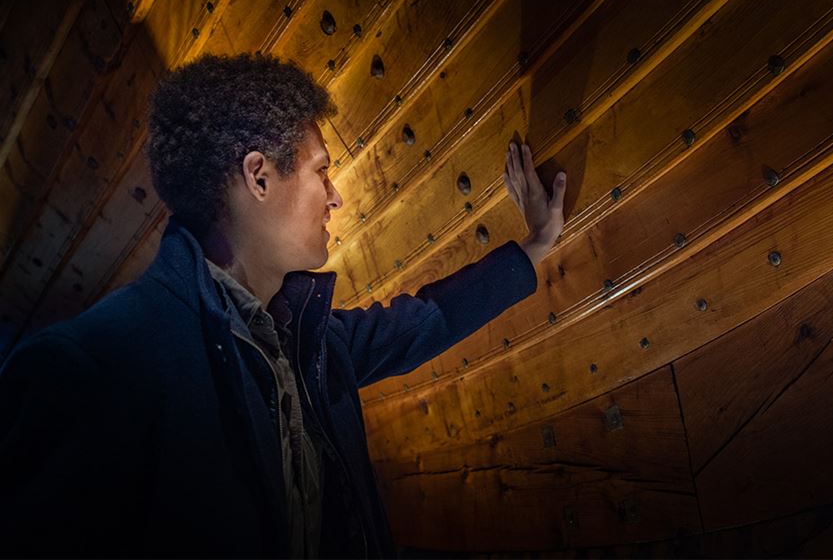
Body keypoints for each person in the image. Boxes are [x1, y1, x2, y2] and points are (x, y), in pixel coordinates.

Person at [0, 54, 566, 558]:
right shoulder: (90, 366)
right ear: (259, 177)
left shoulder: (305, 337)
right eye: (322, 169)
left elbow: (424, 321)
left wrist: (536, 243)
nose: (337, 195)